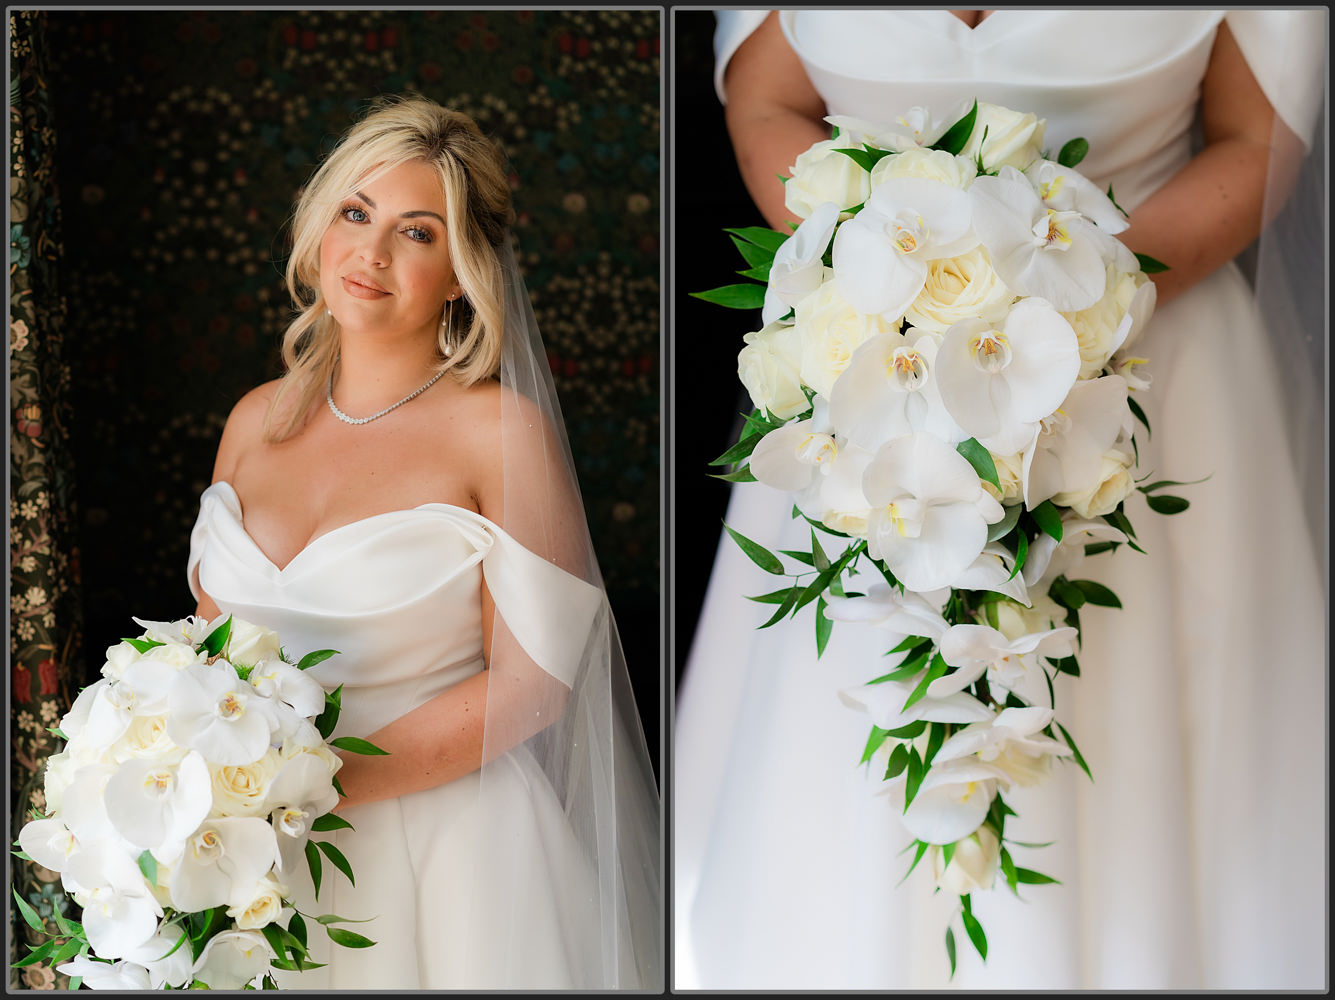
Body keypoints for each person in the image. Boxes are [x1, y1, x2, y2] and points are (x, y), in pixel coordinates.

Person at [675, 9, 1325, 990]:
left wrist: (1083, 300)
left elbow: (1255, 135)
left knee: (1116, 720)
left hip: (1149, 361)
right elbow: (767, 97)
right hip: (878, 371)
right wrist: (871, 272)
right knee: (855, 725)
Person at [189, 94, 661, 989]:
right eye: (355, 213)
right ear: (319, 226)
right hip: (254, 858)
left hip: (451, 850)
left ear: (461, 272)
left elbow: (535, 685)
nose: (369, 252)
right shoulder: (254, 420)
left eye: (416, 232)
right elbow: (214, 654)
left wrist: (310, 793)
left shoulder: (499, 433)